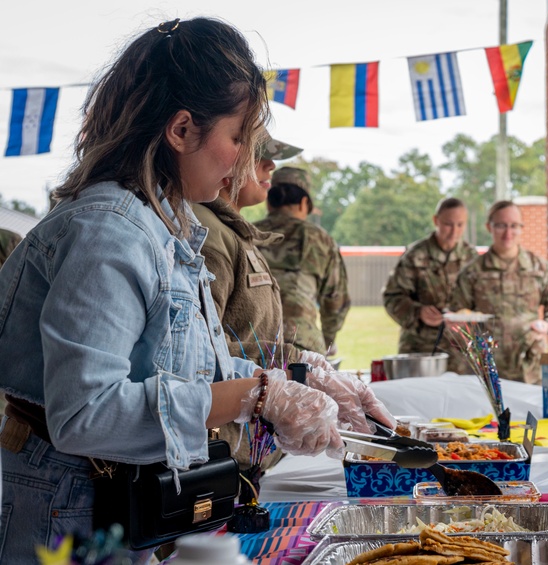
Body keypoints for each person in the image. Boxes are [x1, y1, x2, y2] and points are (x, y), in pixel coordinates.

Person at [0, 18, 364, 561]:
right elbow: (87, 413)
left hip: (115, 501)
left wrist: (291, 380)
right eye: (239, 137)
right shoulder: (109, 233)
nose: (245, 161)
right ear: (181, 130)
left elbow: (185, 368)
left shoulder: (163, 224)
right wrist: (258, 396)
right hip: (72, 511)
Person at [192, 133, 392, 482]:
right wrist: (293, 376)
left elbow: (250, 335)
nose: (270, 164)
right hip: (223, 447)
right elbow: (202, 354)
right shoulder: (208, 233)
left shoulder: (236, 232)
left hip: (251, 441)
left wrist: (305, 365)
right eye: (257, 154)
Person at [449, 201, 548, 384]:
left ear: (522, 228)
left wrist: (547, 324)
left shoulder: (540, 268)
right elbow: (458, 315)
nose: (508, 233)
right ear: (489, 227)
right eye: (501, 226)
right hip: (487, 369)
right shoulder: (472, 272)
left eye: (514, 226)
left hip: (531, 367)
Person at [254, 170, 350, 356]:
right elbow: (336, 301)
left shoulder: (249, 233)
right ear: (304, 203)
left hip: (249, 347)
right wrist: (328, 340)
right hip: (302, 345)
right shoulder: (320, 239)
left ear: (269, 201)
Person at [382, 197, 478, 372]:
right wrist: (418, 312)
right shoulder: (415, 255)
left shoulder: (471, 257)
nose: (454, 232)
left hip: (461, 351)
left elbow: (481, 301)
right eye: (449, 224)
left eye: (460, 225)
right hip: (420, 350)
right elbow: (392, 297)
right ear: (436, 221)